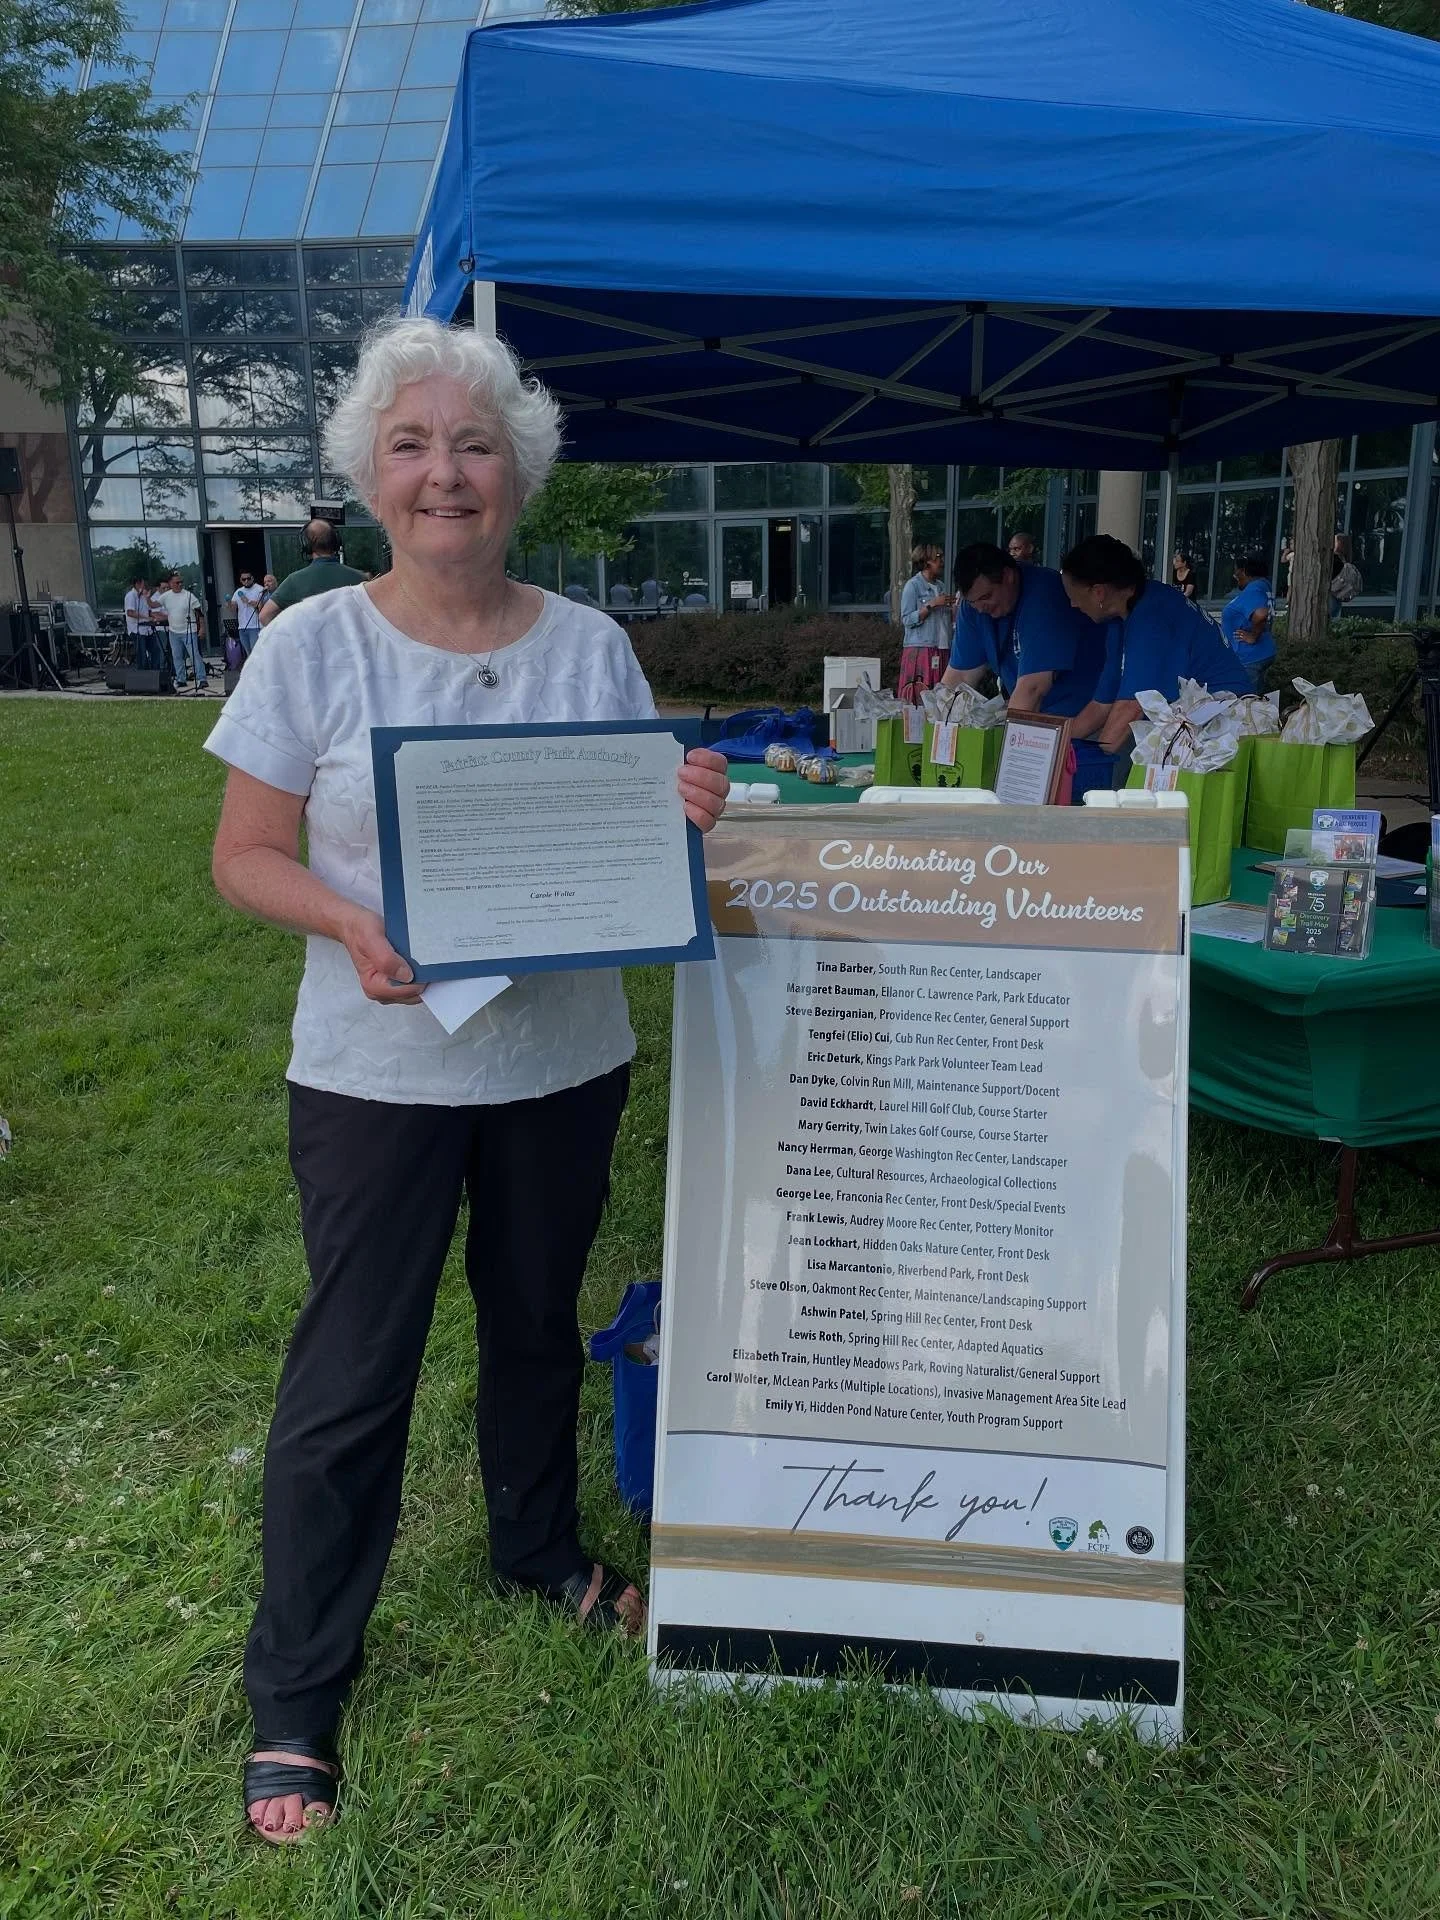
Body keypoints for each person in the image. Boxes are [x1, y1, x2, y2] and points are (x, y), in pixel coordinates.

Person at [205, 314, 728, 1845]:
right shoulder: (314, 645)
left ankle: (538, 1549)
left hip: (562, 1060)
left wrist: (684, 811)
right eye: (413, 445)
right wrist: (347, 922)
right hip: (375, 1070)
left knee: (533, 1322)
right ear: (371, 476)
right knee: (352, 1368)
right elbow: (245, 856)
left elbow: (627, 840)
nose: (446, 473)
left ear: (521, 475)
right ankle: (298, 1693)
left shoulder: (588, 645)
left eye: (477, 445)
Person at [940, 540, 1116, 797]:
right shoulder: (974, 607)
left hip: (1084, 728)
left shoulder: (1045, 595)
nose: (981, 608)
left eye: (987, 597)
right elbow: (958, 677)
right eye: (973, 602)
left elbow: (1033, 688)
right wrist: (935, 729)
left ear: (1008, 576)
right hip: (1036, 727)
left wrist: (1007, 758)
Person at [1060, 534, 1250, 756]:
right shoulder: (1119, 619)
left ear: (1098, 592)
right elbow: (1102, 704)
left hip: (1223, 726)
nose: (1072, 604)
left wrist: (1086, 764)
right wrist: (1056, 746)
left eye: (1073, 595)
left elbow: (1131, 707)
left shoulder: (1152, 617)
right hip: (1194, 724)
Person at [259, 521, 365, 625]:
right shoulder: (361, 578)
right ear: (336, 542)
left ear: (306, 546)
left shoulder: (294, 581)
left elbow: (265, 616)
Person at [897, 541, 952, 700]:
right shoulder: (913, 586)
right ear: (927, 560)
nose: (942, 561)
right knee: (919, 695)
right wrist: (931, 604)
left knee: (940, 695)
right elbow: (907, 619)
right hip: (921, 649)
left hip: (942, 647)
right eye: (938, 557)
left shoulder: (940, 586)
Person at [1219, 551, 1276, 691]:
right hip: (1259, 653)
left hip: (1248, 657)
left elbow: (1261, 614)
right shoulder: (1263, 585)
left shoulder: (1254, 588)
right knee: (1255, 697)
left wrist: (1253, 636)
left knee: (1245, 700)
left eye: (1236, 571)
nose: (1234, 575)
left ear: (1243, 571)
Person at [155, 570, 207, 692]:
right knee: (177, 656)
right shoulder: (166, 596)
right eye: (177, 582)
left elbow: (199, 612)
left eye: (181, 582)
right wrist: (146, 598)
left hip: (189, 630)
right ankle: (181, 679)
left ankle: (202, 678)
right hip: (174, 631)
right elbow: (153, 605)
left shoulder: (188, 595)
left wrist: (202, 628)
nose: (180, 584)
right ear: (170, 584)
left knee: (194, 655)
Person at [123, 573, 162, 672]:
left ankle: (155, 672)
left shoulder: (144, 596)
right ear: (137, 584)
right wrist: (146, 617)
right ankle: (143, 674)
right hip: (137, 630)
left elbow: (148, 610)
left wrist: (155, 617)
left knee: (156, 650)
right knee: (142, 655)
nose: (145, 586)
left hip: (147, 629)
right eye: (143, 584)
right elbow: (130, 612)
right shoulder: (131, 596)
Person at [230, 571, 266, 657]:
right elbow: (233, 609)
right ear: (241, 580)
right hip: (242, 627)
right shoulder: (238, 592)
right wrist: (228, 603)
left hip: (255, 626)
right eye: (244, 579)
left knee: (255, 652)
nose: (246, 581)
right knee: (248, 653)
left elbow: (261, 608)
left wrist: (248, 601)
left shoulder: (259, 589)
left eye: (248, 578)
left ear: (252, 578)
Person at [1331, 534, 1362, 619]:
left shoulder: (1334, 560)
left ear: (1339, 544)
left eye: (1335, 541)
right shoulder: (1345, 560)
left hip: (1330, 597)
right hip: (1337, 599)